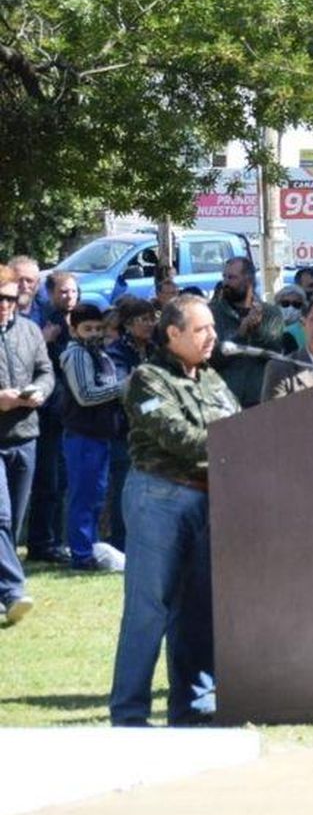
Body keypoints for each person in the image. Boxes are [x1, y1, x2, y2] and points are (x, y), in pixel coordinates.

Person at [109, 295, 240, 725]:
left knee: (198, 608)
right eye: (202, 330)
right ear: (173, 333)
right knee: (150, 607)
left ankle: (194, 707)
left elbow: (241, 427)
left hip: (208, 499)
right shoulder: (147, 379)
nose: (212, 337)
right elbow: (178, 437)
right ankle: (129, 712)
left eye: (213, 329)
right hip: (159, 498)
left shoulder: (213, 380)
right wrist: (233, 449)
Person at [58, 304, 128, 571]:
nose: (94, 333)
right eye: (87, 329)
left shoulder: (98, 354)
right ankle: (81, 553)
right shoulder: (76, 354)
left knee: (96, 496)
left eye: (98, 328)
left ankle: (91, 547)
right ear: (74, 330)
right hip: (82, 436)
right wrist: (122, 387)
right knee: (83, 496)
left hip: (99, 435)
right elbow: (86, 395)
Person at [0, 263, 51, 623]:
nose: (4, 305)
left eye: (9, 298)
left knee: (13, 522)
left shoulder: (30, 331)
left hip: (25, 434)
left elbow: (45, 371)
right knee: (0, 517)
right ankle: (14, 591)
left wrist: (40, 393)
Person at [26, 271, 79, 563]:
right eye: (63, 292)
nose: (68, 297)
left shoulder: (79, 319)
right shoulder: (47, 322)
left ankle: (56, 539)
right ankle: (42, 542)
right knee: (49, 481)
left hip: (70, 414)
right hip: (49, 412)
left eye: (72, 291)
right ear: (50, 293)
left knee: (62, 481)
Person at [104, 295, 157, 551]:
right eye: (143, 319)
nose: (149, 324)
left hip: (155, 432)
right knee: (125, 488)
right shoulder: (116, 353)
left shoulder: (156, 349)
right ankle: (120, 543)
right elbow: (127, 391)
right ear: (127, 324)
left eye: (152, 318)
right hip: (125, 431)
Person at [210, 257, 284, 409]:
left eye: (232, 277)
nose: (226, 283)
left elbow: (273, 353)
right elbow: (211, 357)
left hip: (260, 399)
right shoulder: (212, 313)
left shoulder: (270, 313)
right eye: (224, 277)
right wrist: (241, 333)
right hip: (224, 401)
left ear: (248, 280)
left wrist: (255, 330)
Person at [7, 255, 44, 325]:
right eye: (19, 280)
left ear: (38, 283)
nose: (24, 286)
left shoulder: (47, 312)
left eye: (29, 281)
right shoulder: (3, 313)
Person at [276, 286, 308, 352]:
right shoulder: (271, 327)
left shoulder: (306, 329)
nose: (290, 308)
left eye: (296, 304)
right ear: (278, 304)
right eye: (285, 303)